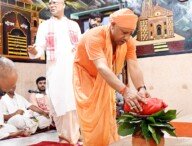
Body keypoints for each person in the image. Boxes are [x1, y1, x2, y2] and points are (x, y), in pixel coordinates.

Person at [73, 8, 151, 145]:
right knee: (93, 117)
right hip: (86, 76)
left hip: (106, 78)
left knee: (108, 116)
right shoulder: (94, 36)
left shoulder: (128, 41)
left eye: (130, 33)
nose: (127, 37)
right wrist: (125, 90)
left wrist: (141, 87)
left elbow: (133, 64)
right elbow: (102, 66)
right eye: (124, 33)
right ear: (112, 25)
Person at [27, 0, 81, 144]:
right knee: (57, 103)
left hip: (72, 71)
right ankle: (64, 137)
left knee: (73, 105)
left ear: (63, 5)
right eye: (50, 3)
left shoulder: (74, 25)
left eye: (55, 2)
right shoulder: (45, 26)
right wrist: (33, 51)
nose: (51, 5)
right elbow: (39, 48)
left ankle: (73, 138)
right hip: (55, 72)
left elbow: (80, 48)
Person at [0, 57, 30, 139]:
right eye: (1, 92)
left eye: (4, 93)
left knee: (10, 128)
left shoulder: (19, 97)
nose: (1, 97)